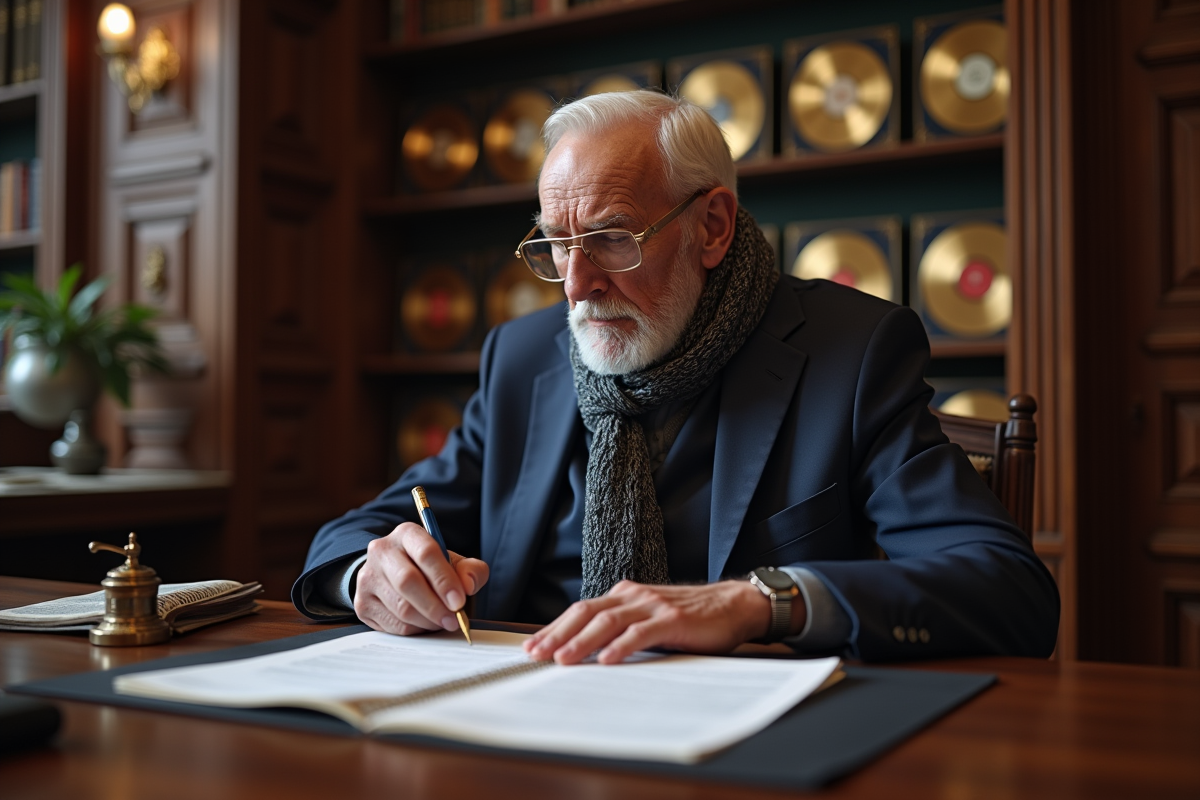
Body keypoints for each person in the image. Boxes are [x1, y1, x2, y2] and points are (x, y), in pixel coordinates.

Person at [292, 90, 1059, 664]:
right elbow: (356, 534)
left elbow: (1006, 588)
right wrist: (371, 571)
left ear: (712, 227)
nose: (575, 285)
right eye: (556, 244)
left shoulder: (852, 353)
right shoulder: (524, 359)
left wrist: (762, 600)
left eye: (611, 239)